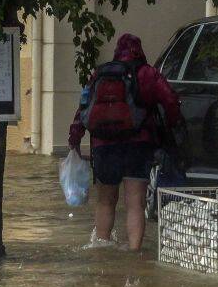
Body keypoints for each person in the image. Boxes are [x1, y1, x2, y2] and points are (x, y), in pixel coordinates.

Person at [69, 33, 183, 251]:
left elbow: (83, 107)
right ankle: (134, 253)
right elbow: (170, 100)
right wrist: (172, 125)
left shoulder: (100, 74)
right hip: (138, 145)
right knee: (135, 203)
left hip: (103, 146)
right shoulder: (147, 73)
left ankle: (101, 249)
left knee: (105, 201)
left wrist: (74, 138)